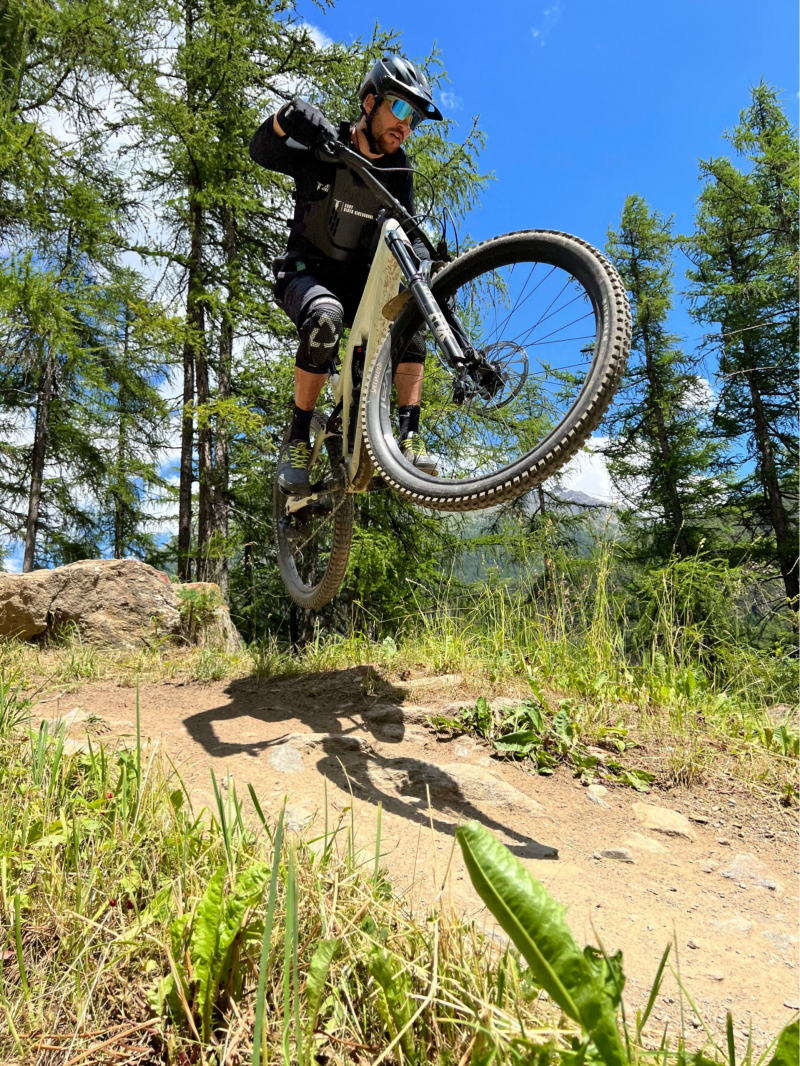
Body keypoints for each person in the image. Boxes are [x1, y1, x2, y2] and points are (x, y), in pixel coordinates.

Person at [249, 55, 443, 494]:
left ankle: (407, 437)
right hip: (305, 271)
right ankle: (298, 438)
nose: (406, 125)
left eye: (414, 119)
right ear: (370, 102)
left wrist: (425, 263)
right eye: (399, 109)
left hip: (359, 284)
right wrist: (286, 118)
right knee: (325, 319)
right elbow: (261, 150)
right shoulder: (324, 144)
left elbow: (407, 232)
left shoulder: (399, 172)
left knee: (410, 317)